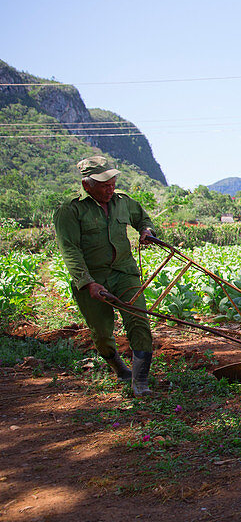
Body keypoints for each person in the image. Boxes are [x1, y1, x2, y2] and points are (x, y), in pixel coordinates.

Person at [53, 156, 158, 396]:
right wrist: (88, 282)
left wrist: (146, 230)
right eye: (104, 185)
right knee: (101, 333)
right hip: (92, 279)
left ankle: (140, 383)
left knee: (139, 322)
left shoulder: (122, 201)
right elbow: (70, 249)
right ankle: (119, 368)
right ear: (86, 185)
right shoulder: (70, 210)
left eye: (112, 183)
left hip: (125, 273)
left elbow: (142, 218)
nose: (110, 189)